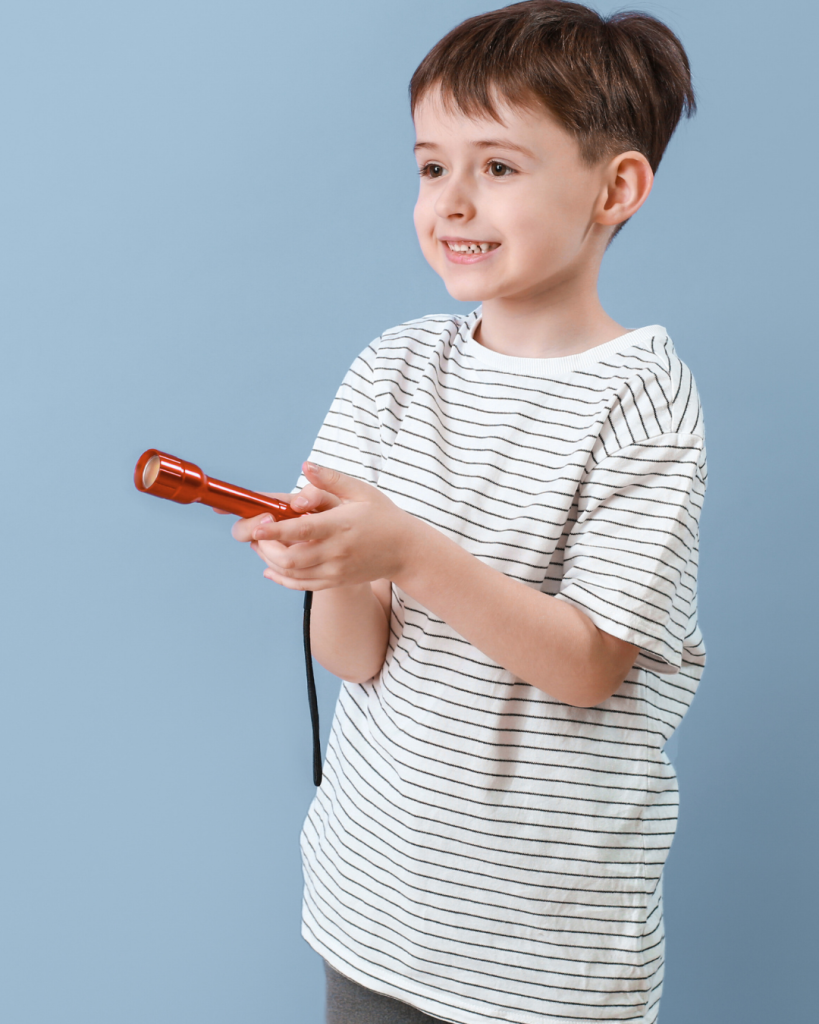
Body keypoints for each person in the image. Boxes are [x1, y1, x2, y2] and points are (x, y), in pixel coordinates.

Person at [232, 2, 705, 1021]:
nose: (452, 200)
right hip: (377, 905)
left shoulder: (643, 401)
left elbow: (588, 665)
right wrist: (339, 565)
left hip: (545, 951)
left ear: (616, 187)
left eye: (497, 166)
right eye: (430, 167)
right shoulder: (393, 369)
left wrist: (405, 546)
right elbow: (354, 657)